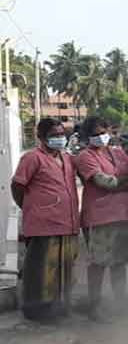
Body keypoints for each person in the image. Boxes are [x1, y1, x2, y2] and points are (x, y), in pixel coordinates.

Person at [11, 118, 80, 321]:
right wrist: (30, 206)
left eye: (61, 134)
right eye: (54, 135)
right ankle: (37, 310)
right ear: (41, 137)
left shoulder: (66, 158)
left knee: (64, 267)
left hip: (66, 222)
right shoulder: (32, 158)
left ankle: (59, 307)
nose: (60, 138)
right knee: (41, 269)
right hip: (43, 224)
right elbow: (17, 186)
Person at [76, 116, 128, 323]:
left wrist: (126, 181)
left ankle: (121, 301)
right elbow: (104, 182)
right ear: (87, 137)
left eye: (104, 132)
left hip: (122, 215)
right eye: (95, 134)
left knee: (119, 261)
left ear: (110, 131)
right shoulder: (85, 157)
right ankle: (95, 305)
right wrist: (126, 183)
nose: (101, 137)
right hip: (100, 217)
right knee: (98, 263)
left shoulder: (118, 152)